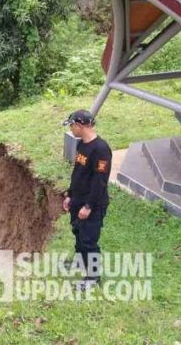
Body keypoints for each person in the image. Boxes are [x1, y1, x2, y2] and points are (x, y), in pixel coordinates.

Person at [62, 110, 112, 290]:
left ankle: (93, 277)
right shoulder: (82, 144)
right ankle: (79, 261)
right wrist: (69, 195)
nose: (71, 128)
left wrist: (88, 206)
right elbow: (78, 173)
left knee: (88, 240)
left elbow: (100, 182)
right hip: (77, 199)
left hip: (91, 204)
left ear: (80, 125)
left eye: (71, 125)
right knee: (77, 232)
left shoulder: (101, 149)